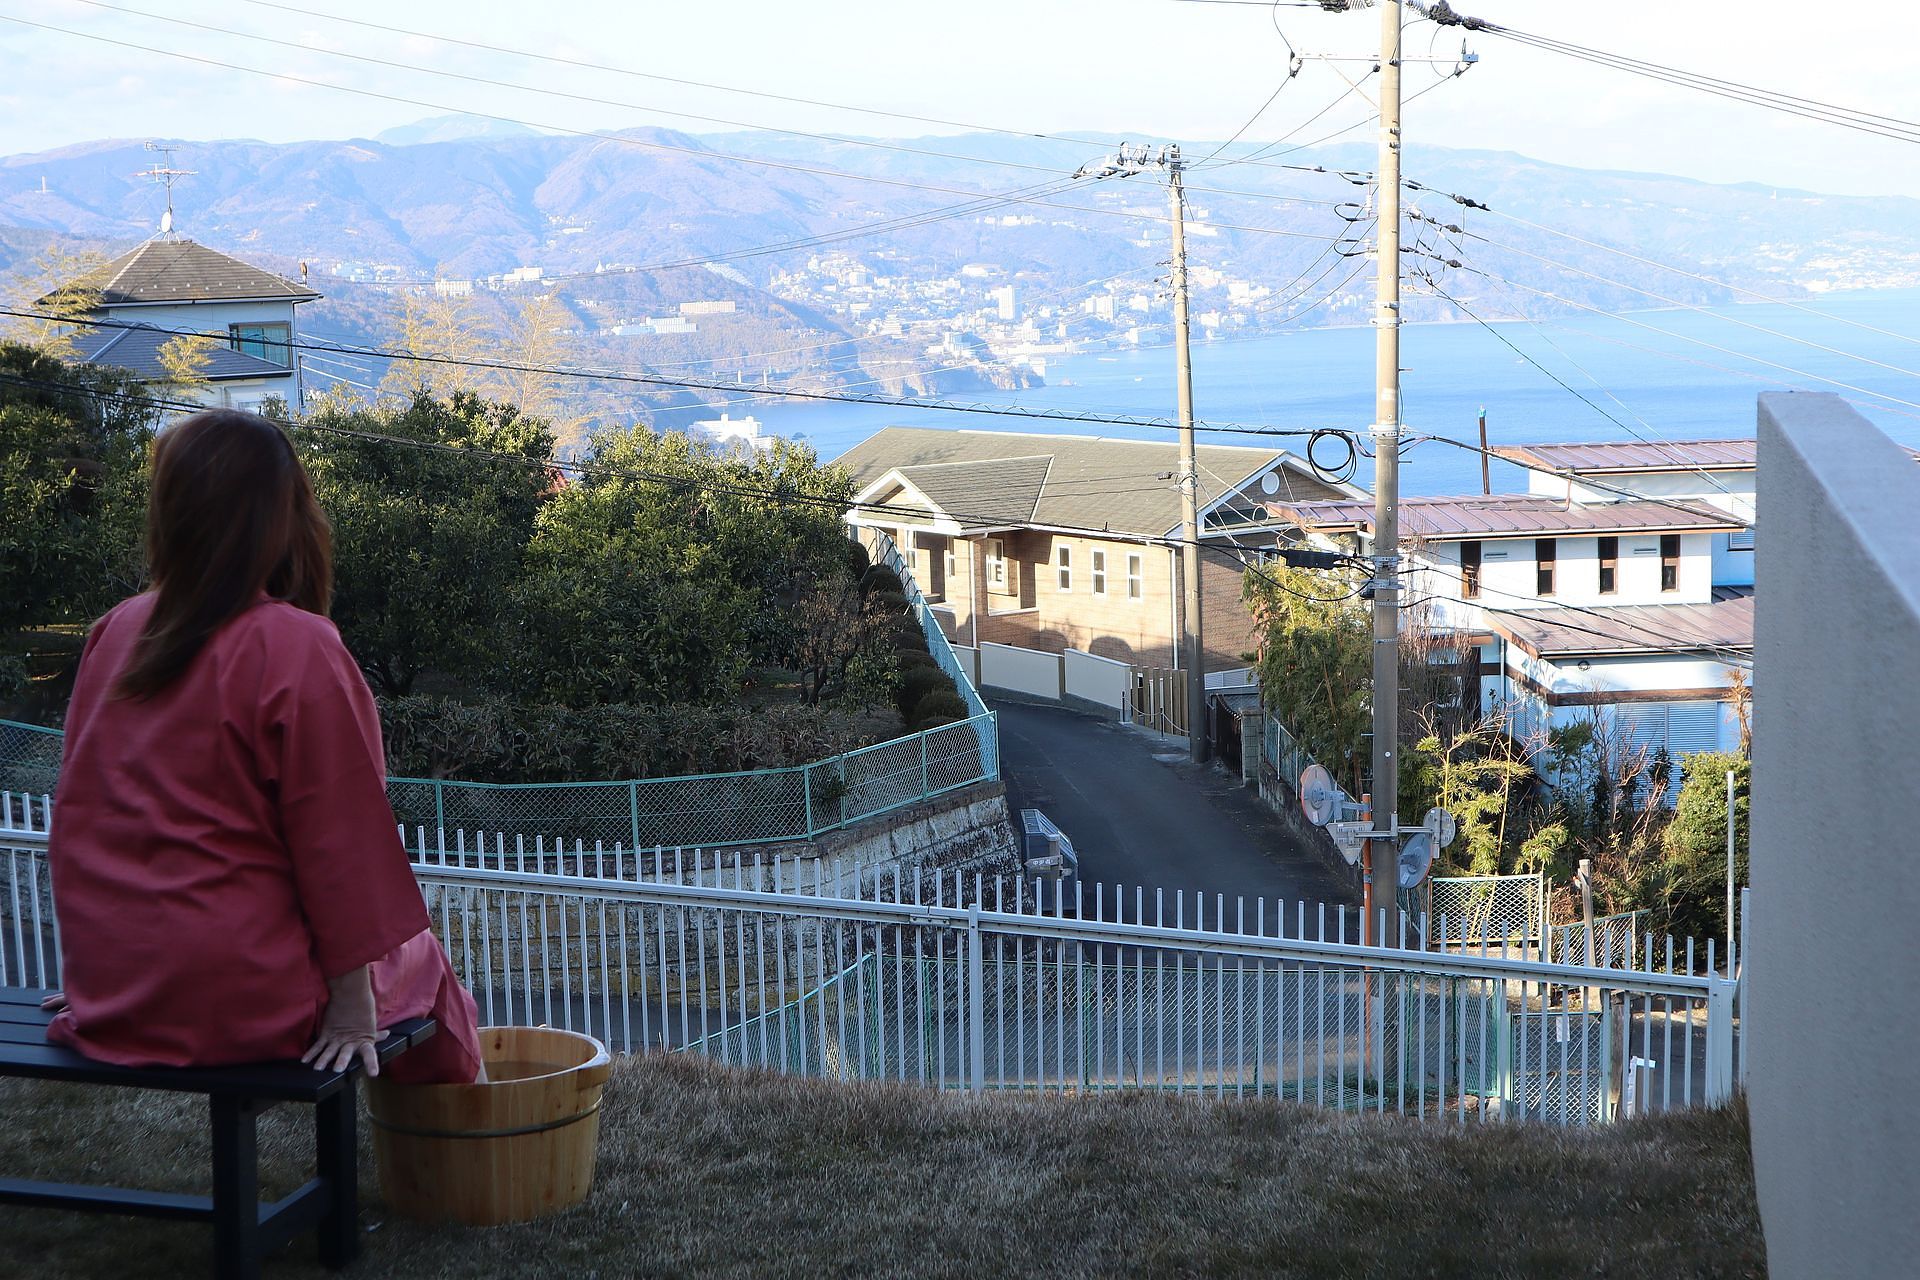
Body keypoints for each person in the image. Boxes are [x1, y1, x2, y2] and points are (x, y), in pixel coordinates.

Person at [43, 409, 483, 1083]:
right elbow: (340, 846)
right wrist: (349, 1009)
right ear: (277, 517)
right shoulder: (297, 646)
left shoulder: (117, 631)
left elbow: (83, 809)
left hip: (113, 990)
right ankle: (473, 1158)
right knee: (423, 961)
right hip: (245, 997)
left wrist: (104, 979)